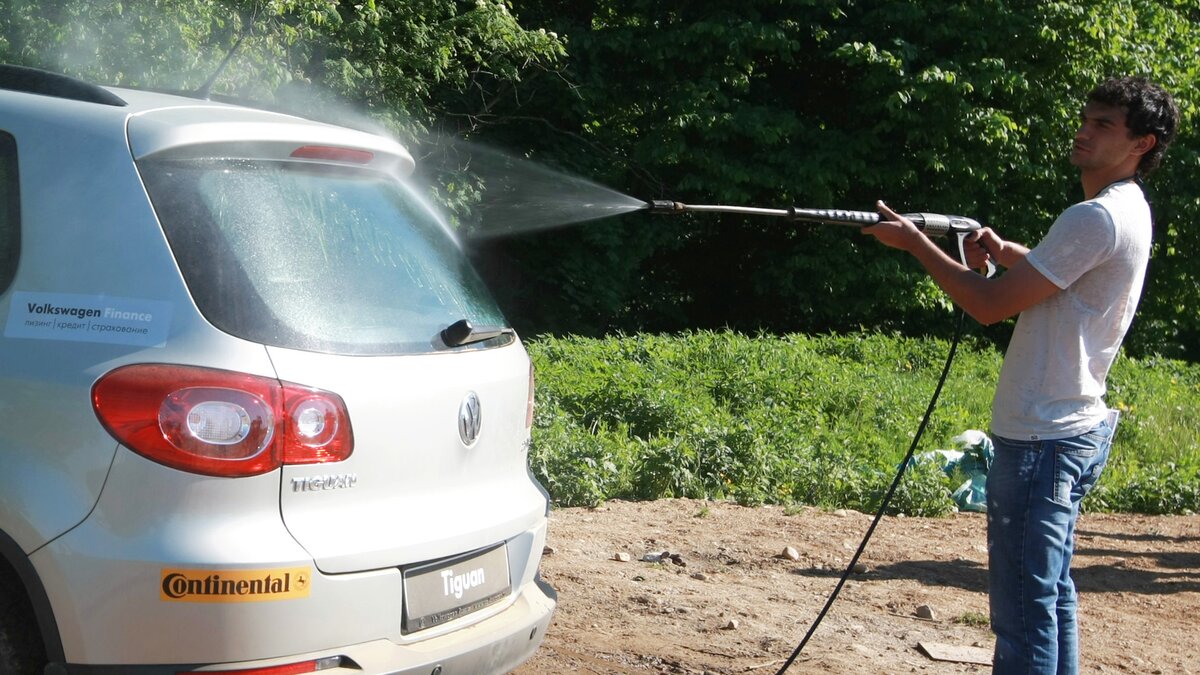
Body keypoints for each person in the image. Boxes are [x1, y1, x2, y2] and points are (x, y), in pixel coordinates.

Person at [861, 76, 1179, 674]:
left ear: (1143, 142)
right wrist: (1007, 251)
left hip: (1043, 437)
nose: (1084, 131)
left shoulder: (1094, 217)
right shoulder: (1122, 209)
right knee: (1050, 597)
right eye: (1086, 118)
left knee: (1023, 612)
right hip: (1070, 429)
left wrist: (913, 244)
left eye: (1104, 125)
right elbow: (1063, 276)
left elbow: (987, 306)